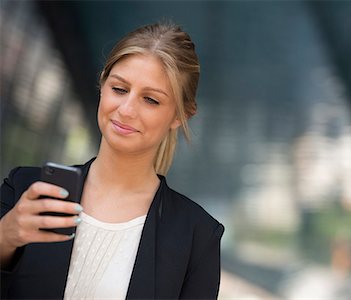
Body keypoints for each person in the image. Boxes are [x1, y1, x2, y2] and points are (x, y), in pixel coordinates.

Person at [0, 22, 224, 299]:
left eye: (151, 100)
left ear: (180, 116)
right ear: (103, 86)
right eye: (119, 89)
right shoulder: (24, 190)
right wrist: (5, 237)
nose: (127, 110)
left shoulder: (197, 238)